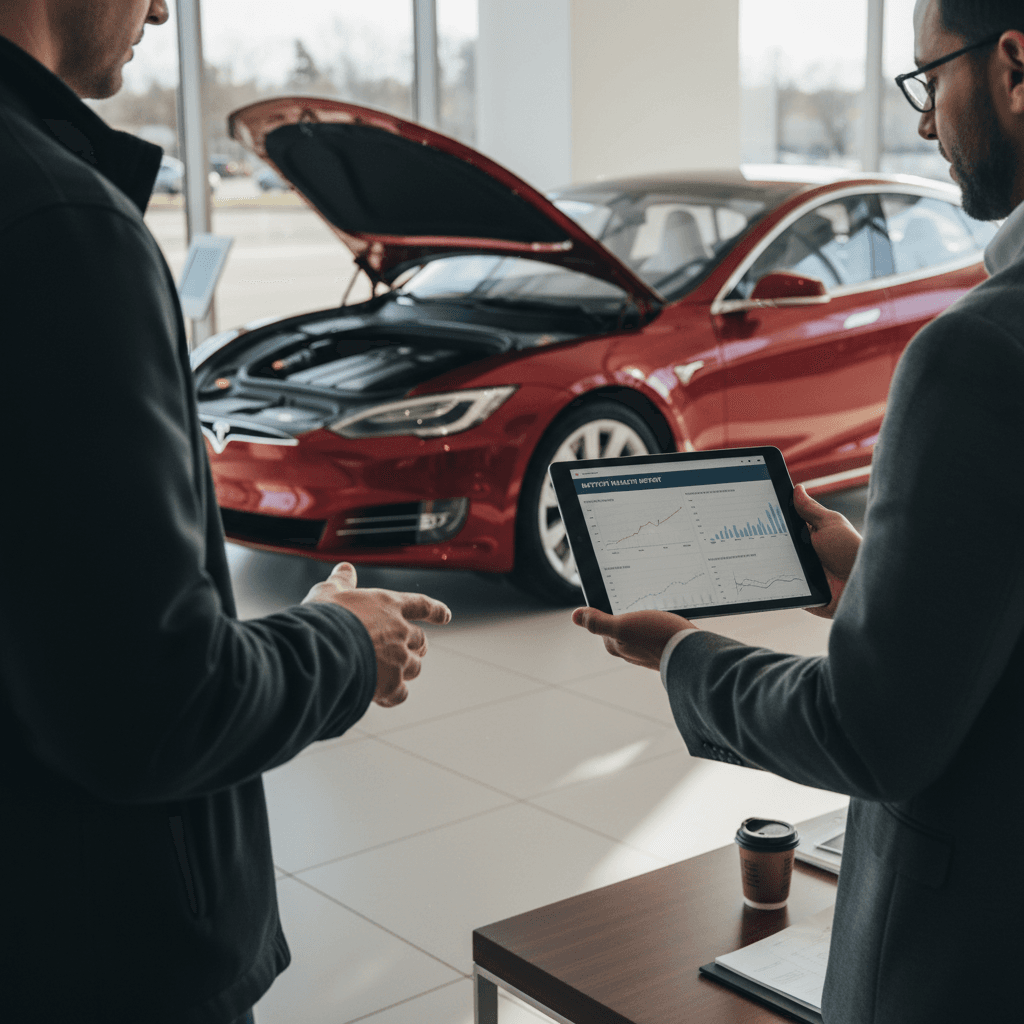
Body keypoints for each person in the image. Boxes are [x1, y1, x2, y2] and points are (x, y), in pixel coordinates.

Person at [0, 2, 451, 1022]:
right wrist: (344, 645)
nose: (162, 7)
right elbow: (152, 707)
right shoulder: (62, 228)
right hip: (93, 956)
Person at [574, 1, 1023, 1020]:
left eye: (926, 77)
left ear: (1011, 64)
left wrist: (682, 654)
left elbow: (873, 735)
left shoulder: (976, 355)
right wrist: (875, 581)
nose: (922, 122)